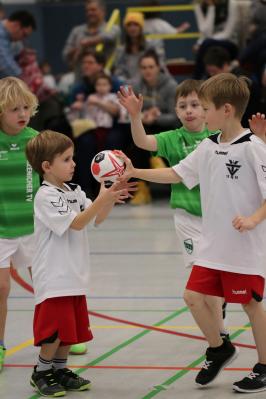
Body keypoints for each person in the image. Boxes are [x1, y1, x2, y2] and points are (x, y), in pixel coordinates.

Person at [118, 73, 266, 393]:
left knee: (251, 304)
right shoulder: (209, 146)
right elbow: (176, 173)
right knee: (193, 296)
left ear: (225, 110)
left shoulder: (253, 146)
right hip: (212, 244)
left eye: (205, 106)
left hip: (242, 244)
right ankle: (219, 347)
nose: (198, 111)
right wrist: (135, 172)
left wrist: (254, 219)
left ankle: (264, 366)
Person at [25, 130, 135, 397]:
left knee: (69, 330)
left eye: (73, 158)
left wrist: (109, 194)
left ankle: (60, 369)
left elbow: (96, 218)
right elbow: (76, 223)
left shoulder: (73, 190)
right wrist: (101, 200)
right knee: (53, 332)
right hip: (53, 275)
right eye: (67, 159)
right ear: (47, 167)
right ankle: (41, 371)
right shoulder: (46, 196)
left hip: (74, 273)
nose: (74, 164)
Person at [118, 79, 228, 337]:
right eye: (182, 106)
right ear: (176, 111)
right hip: (187, 217)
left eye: (195, 105)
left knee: (215, 281)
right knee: (203, 277)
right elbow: (143, 141)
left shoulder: (218, 137)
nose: (189, 110)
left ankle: (219, 327)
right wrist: (135, 116)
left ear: (206, 110)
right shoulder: (172, 138)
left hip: (218, 218)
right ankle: (221, 336)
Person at [0, 76, 39, 372]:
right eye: (14, 109)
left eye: (26, 107)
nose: (22, 114)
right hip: (2, 229)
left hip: (35, 229)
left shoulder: (37, 141)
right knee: (1, 287)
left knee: (47, 285)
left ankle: (57, 336)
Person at [62, 0, 120, 80]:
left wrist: (87, 42)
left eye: (93, 10)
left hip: (106, 84)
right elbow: (65, 55)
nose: (90, 13)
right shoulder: (77, 31)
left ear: (103, 11)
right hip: (80, 81)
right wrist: (78, 49)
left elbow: (109, 37)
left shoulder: (112, 28)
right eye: (87, 10)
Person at [0, 10, 36, 78]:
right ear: (16, 25)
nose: (22, 39)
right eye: (24, 35)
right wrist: (24, 79)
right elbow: (4, 63)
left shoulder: (11, 40)